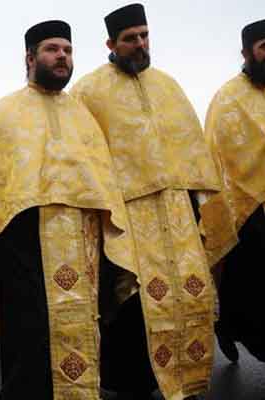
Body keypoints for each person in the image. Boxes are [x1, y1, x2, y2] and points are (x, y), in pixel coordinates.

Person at [0, 20, 131, 399]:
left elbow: (102, 178)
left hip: (82, 244)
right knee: (30, 338)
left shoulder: (83, 115)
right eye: (52, 49)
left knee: (83, 330)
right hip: (24, 243)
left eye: (67, 50)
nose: (61, 56)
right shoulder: (1, 114)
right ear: (30, 58)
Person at [70, 4, 221, 399]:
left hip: (175, 208)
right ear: (110, 44)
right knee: (135, 296)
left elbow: (191, 146)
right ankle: (131, 382)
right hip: (127, 213)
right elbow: (81, 154)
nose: (140, 44)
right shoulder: (88, 90)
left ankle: (187, 377)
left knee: (191, 290)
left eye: (144, 35)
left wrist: (197, 201)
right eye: (130, 39)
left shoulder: (168, 85)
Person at [199, 19, 265, 364]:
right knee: (251, 293)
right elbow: (214, 155)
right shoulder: (228, 99)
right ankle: (226, 327)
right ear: (247, 53)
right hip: (248, 214)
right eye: (264, 47)